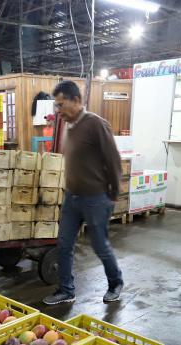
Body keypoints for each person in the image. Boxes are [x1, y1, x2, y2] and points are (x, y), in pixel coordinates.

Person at [43, 80, 124, 305]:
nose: (58, 111)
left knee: (99, 245)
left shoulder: (96, 124)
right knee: (64, 244)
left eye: (61, 105)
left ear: (76, 100)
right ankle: (66, 290)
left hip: (96, 197)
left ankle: (115, 282)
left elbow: (113, 159)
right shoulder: (68, 126)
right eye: (56, 106)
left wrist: (113, 194)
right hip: (72, 197)